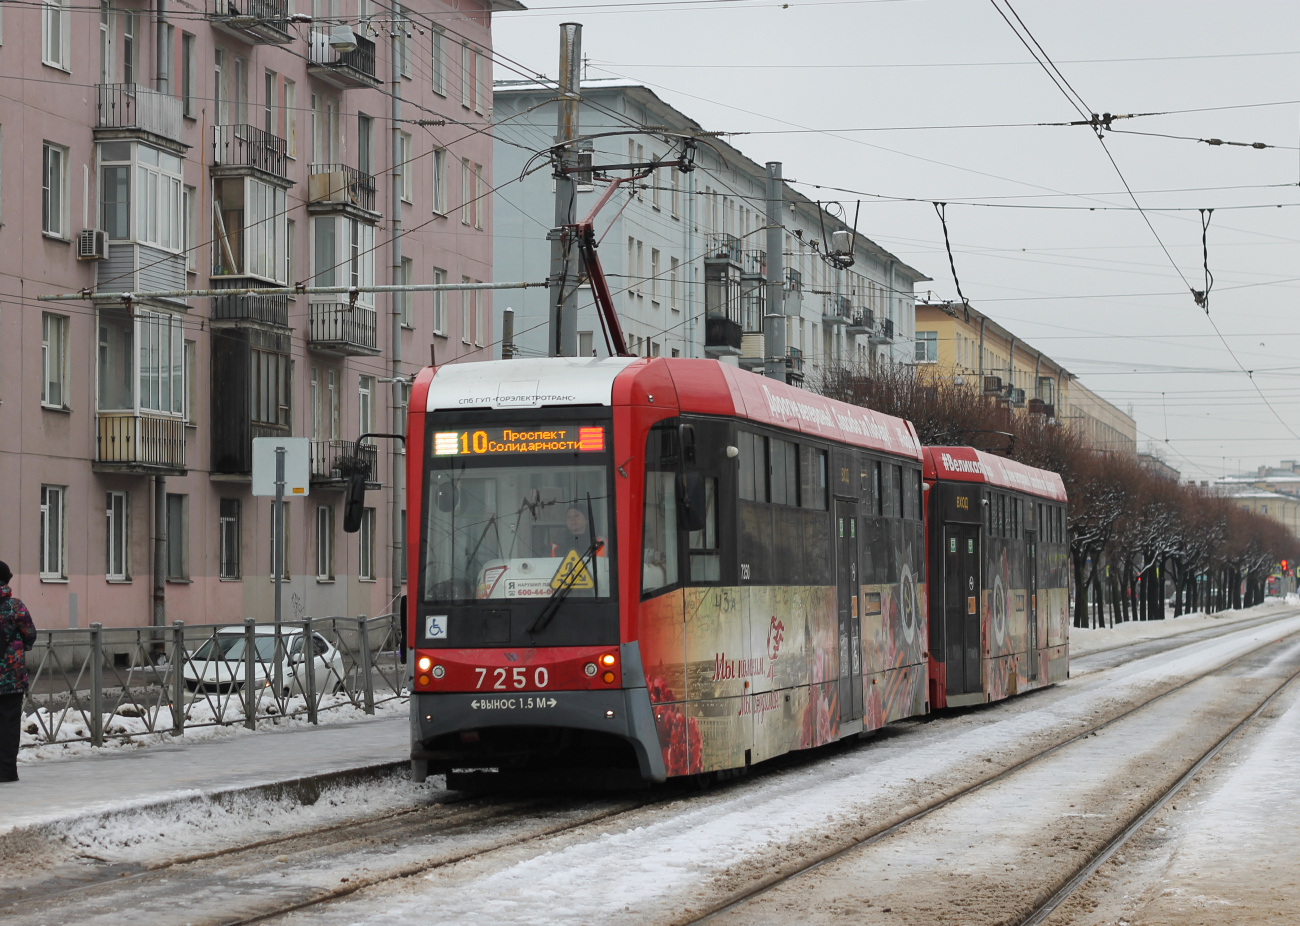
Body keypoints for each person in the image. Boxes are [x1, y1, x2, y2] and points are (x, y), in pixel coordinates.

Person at [0, 561, 35, 783]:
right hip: (10, 678)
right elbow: (30, 634)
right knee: (9, 724)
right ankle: (6, 772)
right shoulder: (15, 606)